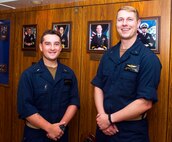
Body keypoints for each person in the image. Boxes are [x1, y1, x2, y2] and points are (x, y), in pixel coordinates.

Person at [91, 6, 161, 142]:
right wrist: (103, 117)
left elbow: (145, 103)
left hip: (131, 132)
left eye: (129, 19)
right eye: (120, 19)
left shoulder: (148, 59)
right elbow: (98, 86)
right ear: (116, 23)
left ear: (138, 23)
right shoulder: (108, 54)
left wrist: (109, 119)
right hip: (103, 129)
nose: (124, 23)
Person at [17, 30, 80, 142]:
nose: (52, 48)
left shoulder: (69, 73)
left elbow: (74, 102)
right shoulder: (29, 75)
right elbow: (25, 108)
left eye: (56, 44)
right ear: (41, 47)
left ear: (61, 47)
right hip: (35, 135)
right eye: (47, 44)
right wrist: (49, 128)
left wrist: (60, 127)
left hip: (61, 133)